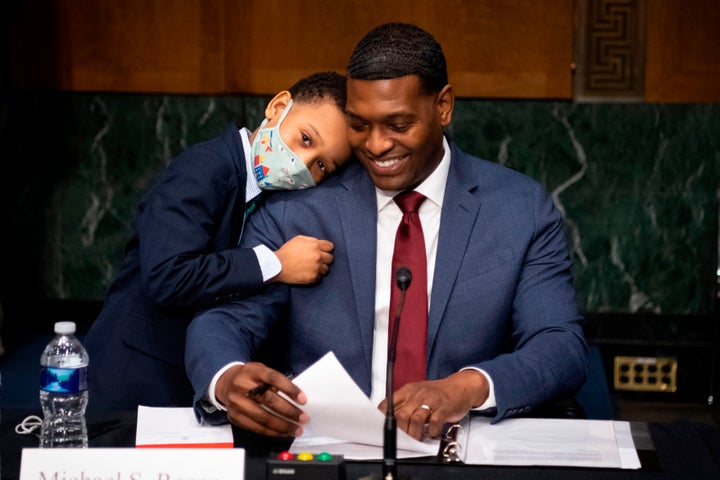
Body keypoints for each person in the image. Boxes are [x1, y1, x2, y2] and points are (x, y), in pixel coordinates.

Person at [185, 23, 588, 442]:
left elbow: (559, 346)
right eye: (359, 125)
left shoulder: (519, 208)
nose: (376, 146)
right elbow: (226, 318)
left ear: (444, 106)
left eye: (398, 124)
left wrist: (466, 388)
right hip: (326, 452)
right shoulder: (298, 207)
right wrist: (226, 377)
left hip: (460, 452)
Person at [84, 71, 353, 410]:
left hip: (187, 381)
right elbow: (168, 275)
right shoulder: (206, 167)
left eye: (322, 167)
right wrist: (276, 264)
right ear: (278, 106)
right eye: (305, 139)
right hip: (132, 376)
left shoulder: (270, 198)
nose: (303, 163)